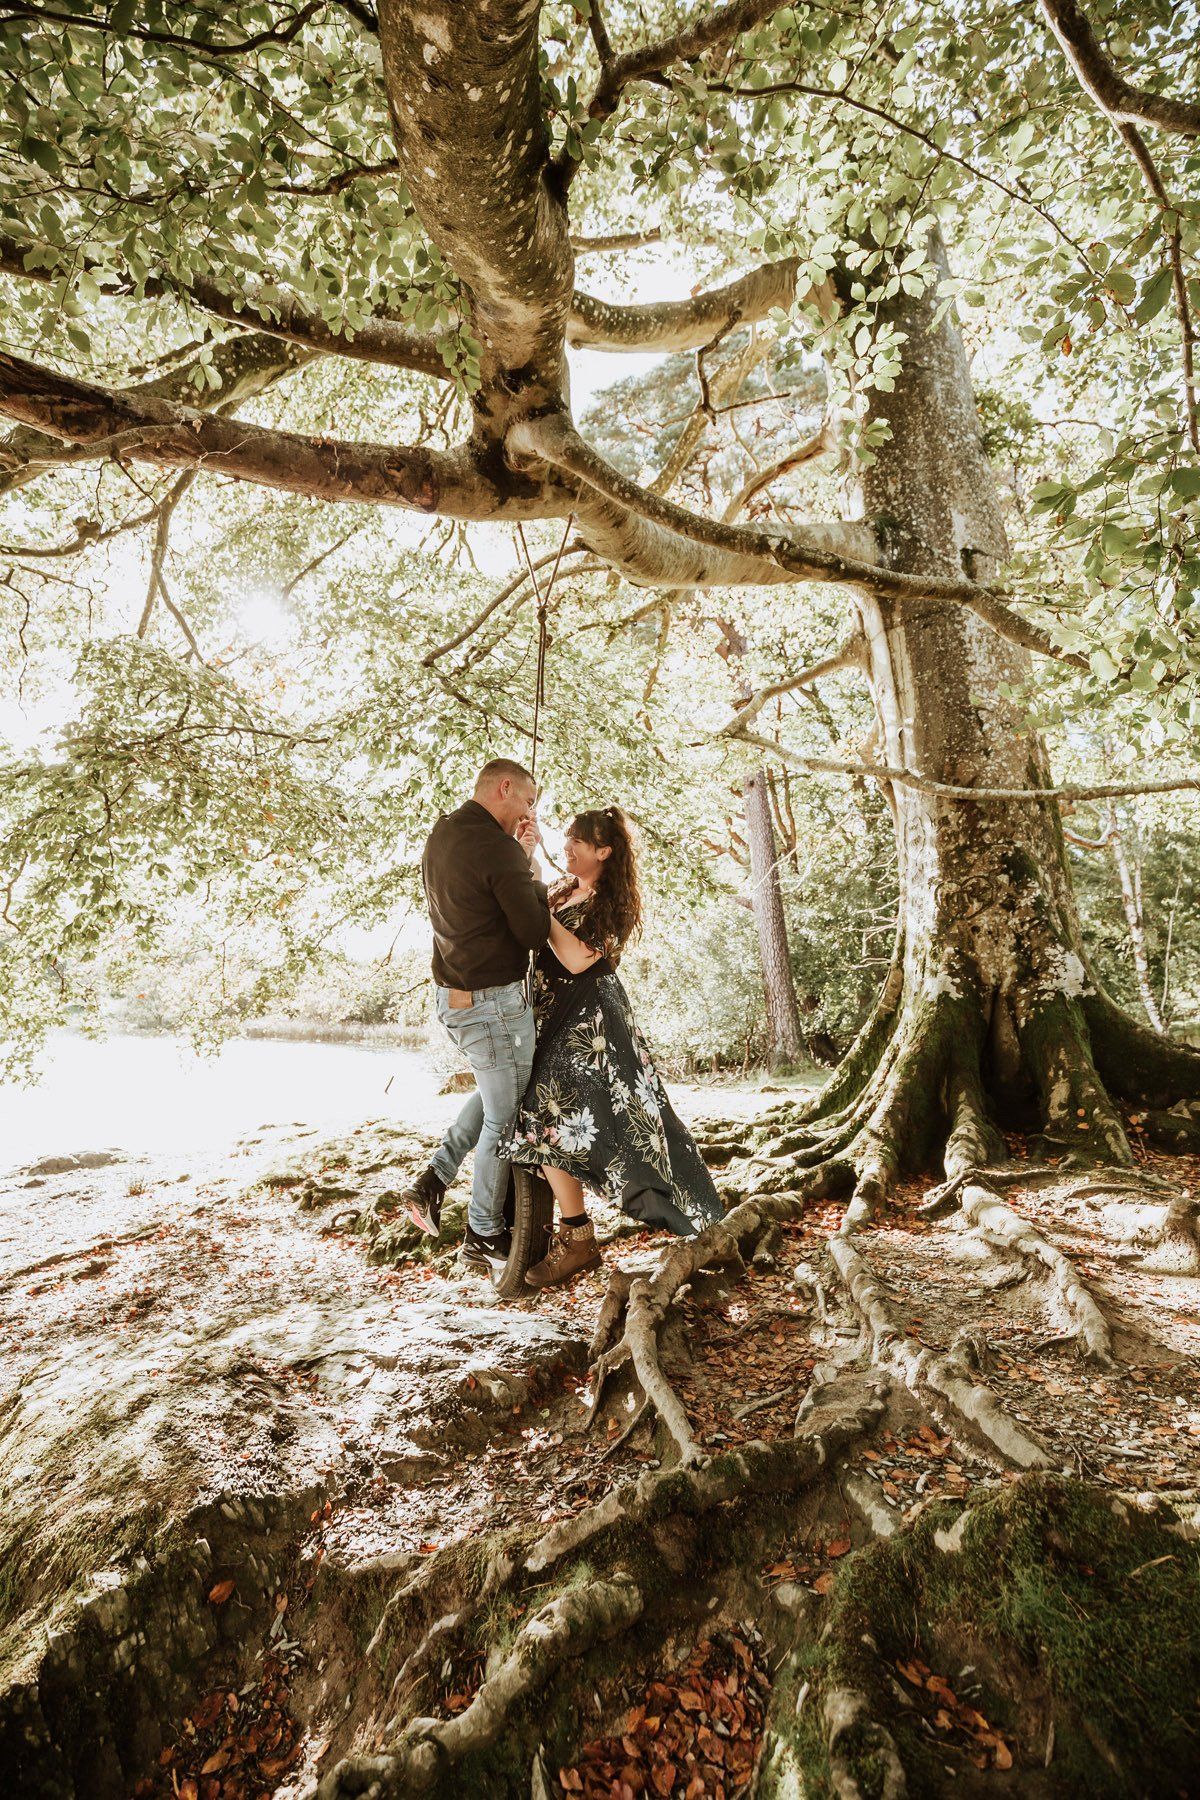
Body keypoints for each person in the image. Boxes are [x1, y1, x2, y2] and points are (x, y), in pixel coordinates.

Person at [505, 805, 722, 1289]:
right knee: (548, 1118)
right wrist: (525, 856)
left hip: (591, 1019)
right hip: (550, 1015)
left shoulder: (613, 902)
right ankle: (572, 1235)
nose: (567, 848)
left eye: (577, 842)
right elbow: (530, 902)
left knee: (566, 1116)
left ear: (603, 851)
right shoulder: (562, 889)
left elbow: (580, 959)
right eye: (565, 840)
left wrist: (541, 913)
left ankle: (580, 1240)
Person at [401, 758, 550, 1276]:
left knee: (495, 1096)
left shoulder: (442, 833)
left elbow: (484, 904)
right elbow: (532, 932)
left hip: (455, 997)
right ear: (504, 788)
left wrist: (520, 854)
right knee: (504, 1118)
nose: (529, 812)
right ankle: (483, 1230)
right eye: (528, 800)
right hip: (493, 1006)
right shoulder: (498, 848)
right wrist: (530, 866)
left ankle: (432, 1183)